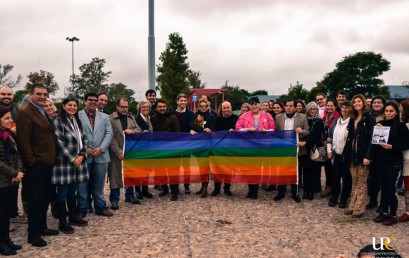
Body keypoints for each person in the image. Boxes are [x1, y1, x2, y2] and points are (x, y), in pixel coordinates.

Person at [16, 84, 59, 247]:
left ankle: (42, 227)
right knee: (35, 200)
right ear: (30, 94)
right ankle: (33, 234)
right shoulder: (25, 112)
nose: (42, 97)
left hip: (47, 163)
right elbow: (23, 141)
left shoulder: (42, 111)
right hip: (36, 165)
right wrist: (31, 162)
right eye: (39, 94)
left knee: (44, 198)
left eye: (45, 94)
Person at [52, 96, 89, 234]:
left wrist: (82, 155)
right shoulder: (58, 120)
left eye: (74, 105)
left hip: (78, 162)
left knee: (73, 192)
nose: (72, 107)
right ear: (63, 106)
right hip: (65, 163)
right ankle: (62, 222)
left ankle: (73, 217)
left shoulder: (77, 121)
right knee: (62, 192)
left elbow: (84, 139)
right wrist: (73, 158)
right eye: (69, 105)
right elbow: (59, 142)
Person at [372, 102, 409, 226]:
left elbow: (406, 144)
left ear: (396, 112)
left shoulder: (401, 126)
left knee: (390, 186)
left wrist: (392, 147)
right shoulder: (381, 124)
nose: (388, 113)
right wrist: (376, 130)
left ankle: (392, 214)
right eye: (386, 111)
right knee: (383, 186)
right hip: (381, 160)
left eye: (391, 111)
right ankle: (383, 211)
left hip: (394, 160)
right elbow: (375, 144)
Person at [78, 93, 114, 217]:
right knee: (82, 186)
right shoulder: (77, 116)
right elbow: (76, 135)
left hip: (101, 156)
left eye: (95, 100)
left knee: (99, 186)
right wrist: (85, 149)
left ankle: (100, 208)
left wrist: (101, 148)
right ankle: (82, 210)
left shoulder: (105, 117)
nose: (93, 102)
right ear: (84, 101)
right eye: (90, 100)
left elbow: (109, 134)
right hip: (84, 156)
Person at [235, 96, 275, 199]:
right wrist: (247, 129)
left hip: (262, 147)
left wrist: (265, 131)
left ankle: (255, 190)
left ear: (260, 104)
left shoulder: (268, 115)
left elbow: (273, 129)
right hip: (248, 147)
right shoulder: (244, 116)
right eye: (252, 104)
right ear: (249, 105)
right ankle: (250, 189)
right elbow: (237, 128)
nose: (254, 106)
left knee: (257, 169)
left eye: (256, 104)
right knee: (249, 169)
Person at [344, 94, 375, 218]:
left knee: (362, 182)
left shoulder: (369, 117)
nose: (357, 103)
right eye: (355, 102)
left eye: (359, 101)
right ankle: (352, 205)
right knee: (354, 181)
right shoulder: (353, 118)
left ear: (363, 102)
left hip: (363, 154)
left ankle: (360, 207)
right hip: (353, 155)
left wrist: (368, 155)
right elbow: (350, 137)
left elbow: (372, 138)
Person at [108, 98, 142, 210]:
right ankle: (114, 199)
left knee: (130, 173)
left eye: (126, 107)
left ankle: (130, 195)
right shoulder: (110, 119)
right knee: (115, 175)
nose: (125, 109)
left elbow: (139, 130)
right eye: (122, 107)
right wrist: (118, 152)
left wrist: (132, 131)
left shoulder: (131, 117)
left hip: (130, 151)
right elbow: (110, 137)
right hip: (115, 152)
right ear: (117, 106)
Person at [273, 99, 309, 202]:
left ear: (295, 107)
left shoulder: (302, 117)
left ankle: (295, 193)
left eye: (291, 106)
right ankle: (281, 192)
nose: (288, 108)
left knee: (296, 172)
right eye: (287, 106)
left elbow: (308, 131)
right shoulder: (278, 117)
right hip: (283, 150)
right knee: (281, 171)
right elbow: (275, 133)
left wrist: (302, 131)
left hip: (296, 150)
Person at [0, 86, 26, 225]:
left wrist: (17, 171)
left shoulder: (16, 109)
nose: (6, 97)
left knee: (13, 188)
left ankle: (13, 214)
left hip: (13, 150)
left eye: (9, 94)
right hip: (3, 158)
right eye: (3, 94)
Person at [0, 107, 24, 255]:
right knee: (1, 213)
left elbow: (18, 155)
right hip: (2, 181)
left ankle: (6, 239)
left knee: (6, 213)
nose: (11, 121)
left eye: (11, 118)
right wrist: (14, 172)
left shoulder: (9, 135)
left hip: (12, 180)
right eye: (7, 118)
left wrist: (19, 172)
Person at [150, 99, 181, 201]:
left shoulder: (173, 117)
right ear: (156, 108)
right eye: (160, 107)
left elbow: (177, 133)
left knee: (173, 171)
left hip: (172, 149)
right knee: (161, 171)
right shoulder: (153, 118)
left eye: (164, 106)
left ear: (166, 107)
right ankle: (164, 188)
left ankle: (175, 191)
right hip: (159, 149)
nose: (162, 108)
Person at [327, 101, 352, 208]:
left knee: (347, 178)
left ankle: (344, 199)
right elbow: (329, 136)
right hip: (336, 153)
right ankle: (334, 197)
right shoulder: (336, 121)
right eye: (342, 107)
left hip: (347, 155)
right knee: (335, 177)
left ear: (350, 109)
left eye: (347, 108)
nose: (344, 109)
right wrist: (329, 150)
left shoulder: (353, 122)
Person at [190, 97, 217, 198]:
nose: (203, 108)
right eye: (201, 106)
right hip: (197, 145)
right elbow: (191, 125)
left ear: (208, 106)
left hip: (207, 145)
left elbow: (213, 129)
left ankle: (205, 187)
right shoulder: (195, 115)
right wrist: (202, 130)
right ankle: (202, 186)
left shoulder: (212, 116)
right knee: (200, 166)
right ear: (198, 107)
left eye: (205, 106)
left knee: (206, 167)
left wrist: (201, 130)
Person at [298, 102, 324, 201]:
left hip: (314, 148)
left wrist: (305, 141)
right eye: (311, 109)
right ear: (308, 110)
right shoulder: (305, 120)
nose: (312, 111)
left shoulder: (319, 121)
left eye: (314, 109)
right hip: (305, 149)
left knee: (313, 171)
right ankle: (305, 190)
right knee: (306, 170)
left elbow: (315, 136)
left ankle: (311, 191)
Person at [211, 101, 238, 197]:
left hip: (231, 148)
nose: (226, 110)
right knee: (217, 168)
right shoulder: (217, 119)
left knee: (229, 169)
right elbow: (214, 132)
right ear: (221, 109)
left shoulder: (236, 118)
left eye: (228, 107)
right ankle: (216, 188)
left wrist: (234, 131)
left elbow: (239, 130)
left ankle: (227, 188)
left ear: (231, 108)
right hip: (219, 147)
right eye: (224, 108)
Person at [367, 95, 387, 210]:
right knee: (372, 178)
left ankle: (383, 204)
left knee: (382, 179)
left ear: (383, 104)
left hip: (383, 151)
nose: (376, 104)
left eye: (379, 102)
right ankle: (373, 200)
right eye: (375, 102)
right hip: (371, 150)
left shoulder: (387, 116)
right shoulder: (369, 115)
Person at [131, 101, 154, 200]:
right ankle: (137, 189)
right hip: (139, 148)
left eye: (147, 107)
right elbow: (132, 131)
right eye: (143, 107)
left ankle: (145, 189)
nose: (145, 108)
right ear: (139, 108)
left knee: (147, 170)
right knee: (139, 170)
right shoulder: (136, 119)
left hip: (148, 148)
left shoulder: (150, 118)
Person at [173, 93, 194, 195]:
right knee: (175, 166)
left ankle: (187, 186)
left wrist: (192, 130)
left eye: (185, 101)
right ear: (177, 101)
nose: (183, 102)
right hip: (175, 144)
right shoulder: (172, 113)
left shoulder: (191, 114)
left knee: (186, 166)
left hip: (187, 143)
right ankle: (175, 187)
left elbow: (194, 125)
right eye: (181, 100)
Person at [321, 99, 340, 198]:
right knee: (327, 168)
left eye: (331, 106)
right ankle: (328, 187)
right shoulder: (325, 117)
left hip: (335, 146)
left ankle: (335, 188)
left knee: (335, 169)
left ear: (335, 107)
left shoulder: (338, 118)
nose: (329, 107)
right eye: (327, 105)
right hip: (326, 146)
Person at [399, 99, 409, 222]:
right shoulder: (402, 123)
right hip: (405, 157)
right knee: (407, 186)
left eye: (401, 107)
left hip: (408, 157)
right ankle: (407, 210)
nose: (399, 109)